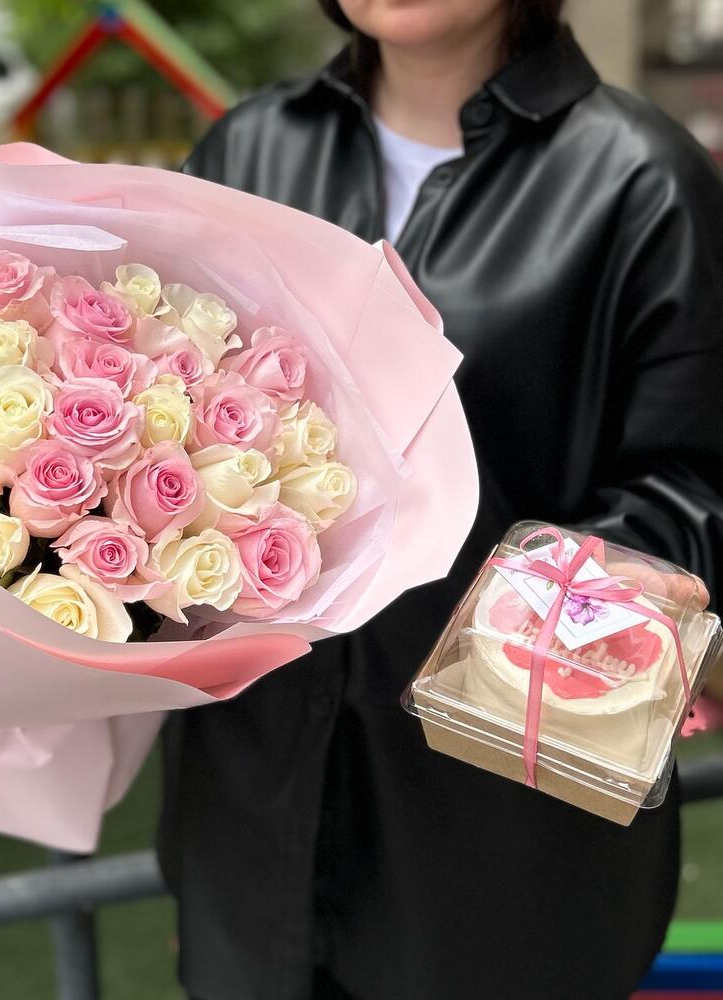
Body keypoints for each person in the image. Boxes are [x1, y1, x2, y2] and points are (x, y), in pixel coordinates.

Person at [156, 2, 723, 999]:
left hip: (503, 825)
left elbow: (694, 483)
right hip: (253, 801)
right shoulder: (249, 147)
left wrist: (565, 601)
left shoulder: (640, 178)